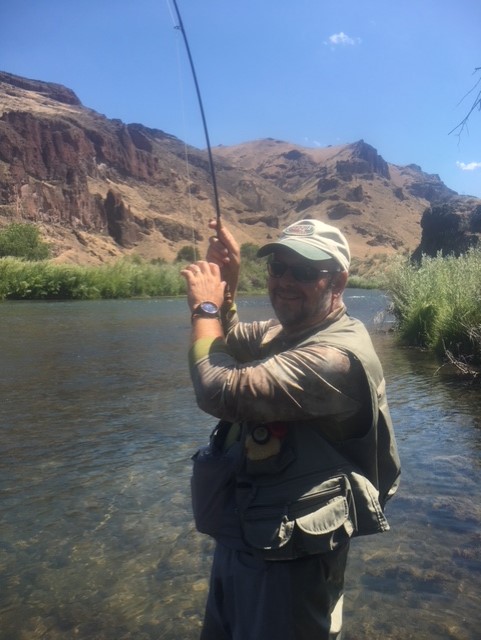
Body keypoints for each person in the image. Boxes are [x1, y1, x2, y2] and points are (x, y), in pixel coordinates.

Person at [181, 218, 400, 640]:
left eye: (302, 272)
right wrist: (227, 287)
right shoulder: (286, 331)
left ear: (338, 281)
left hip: (291, 565)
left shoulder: (335, 358)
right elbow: (227, 338)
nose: (284, 281)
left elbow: (216, 389)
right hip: (246, 536)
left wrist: (203, 307)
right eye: (277, 268)